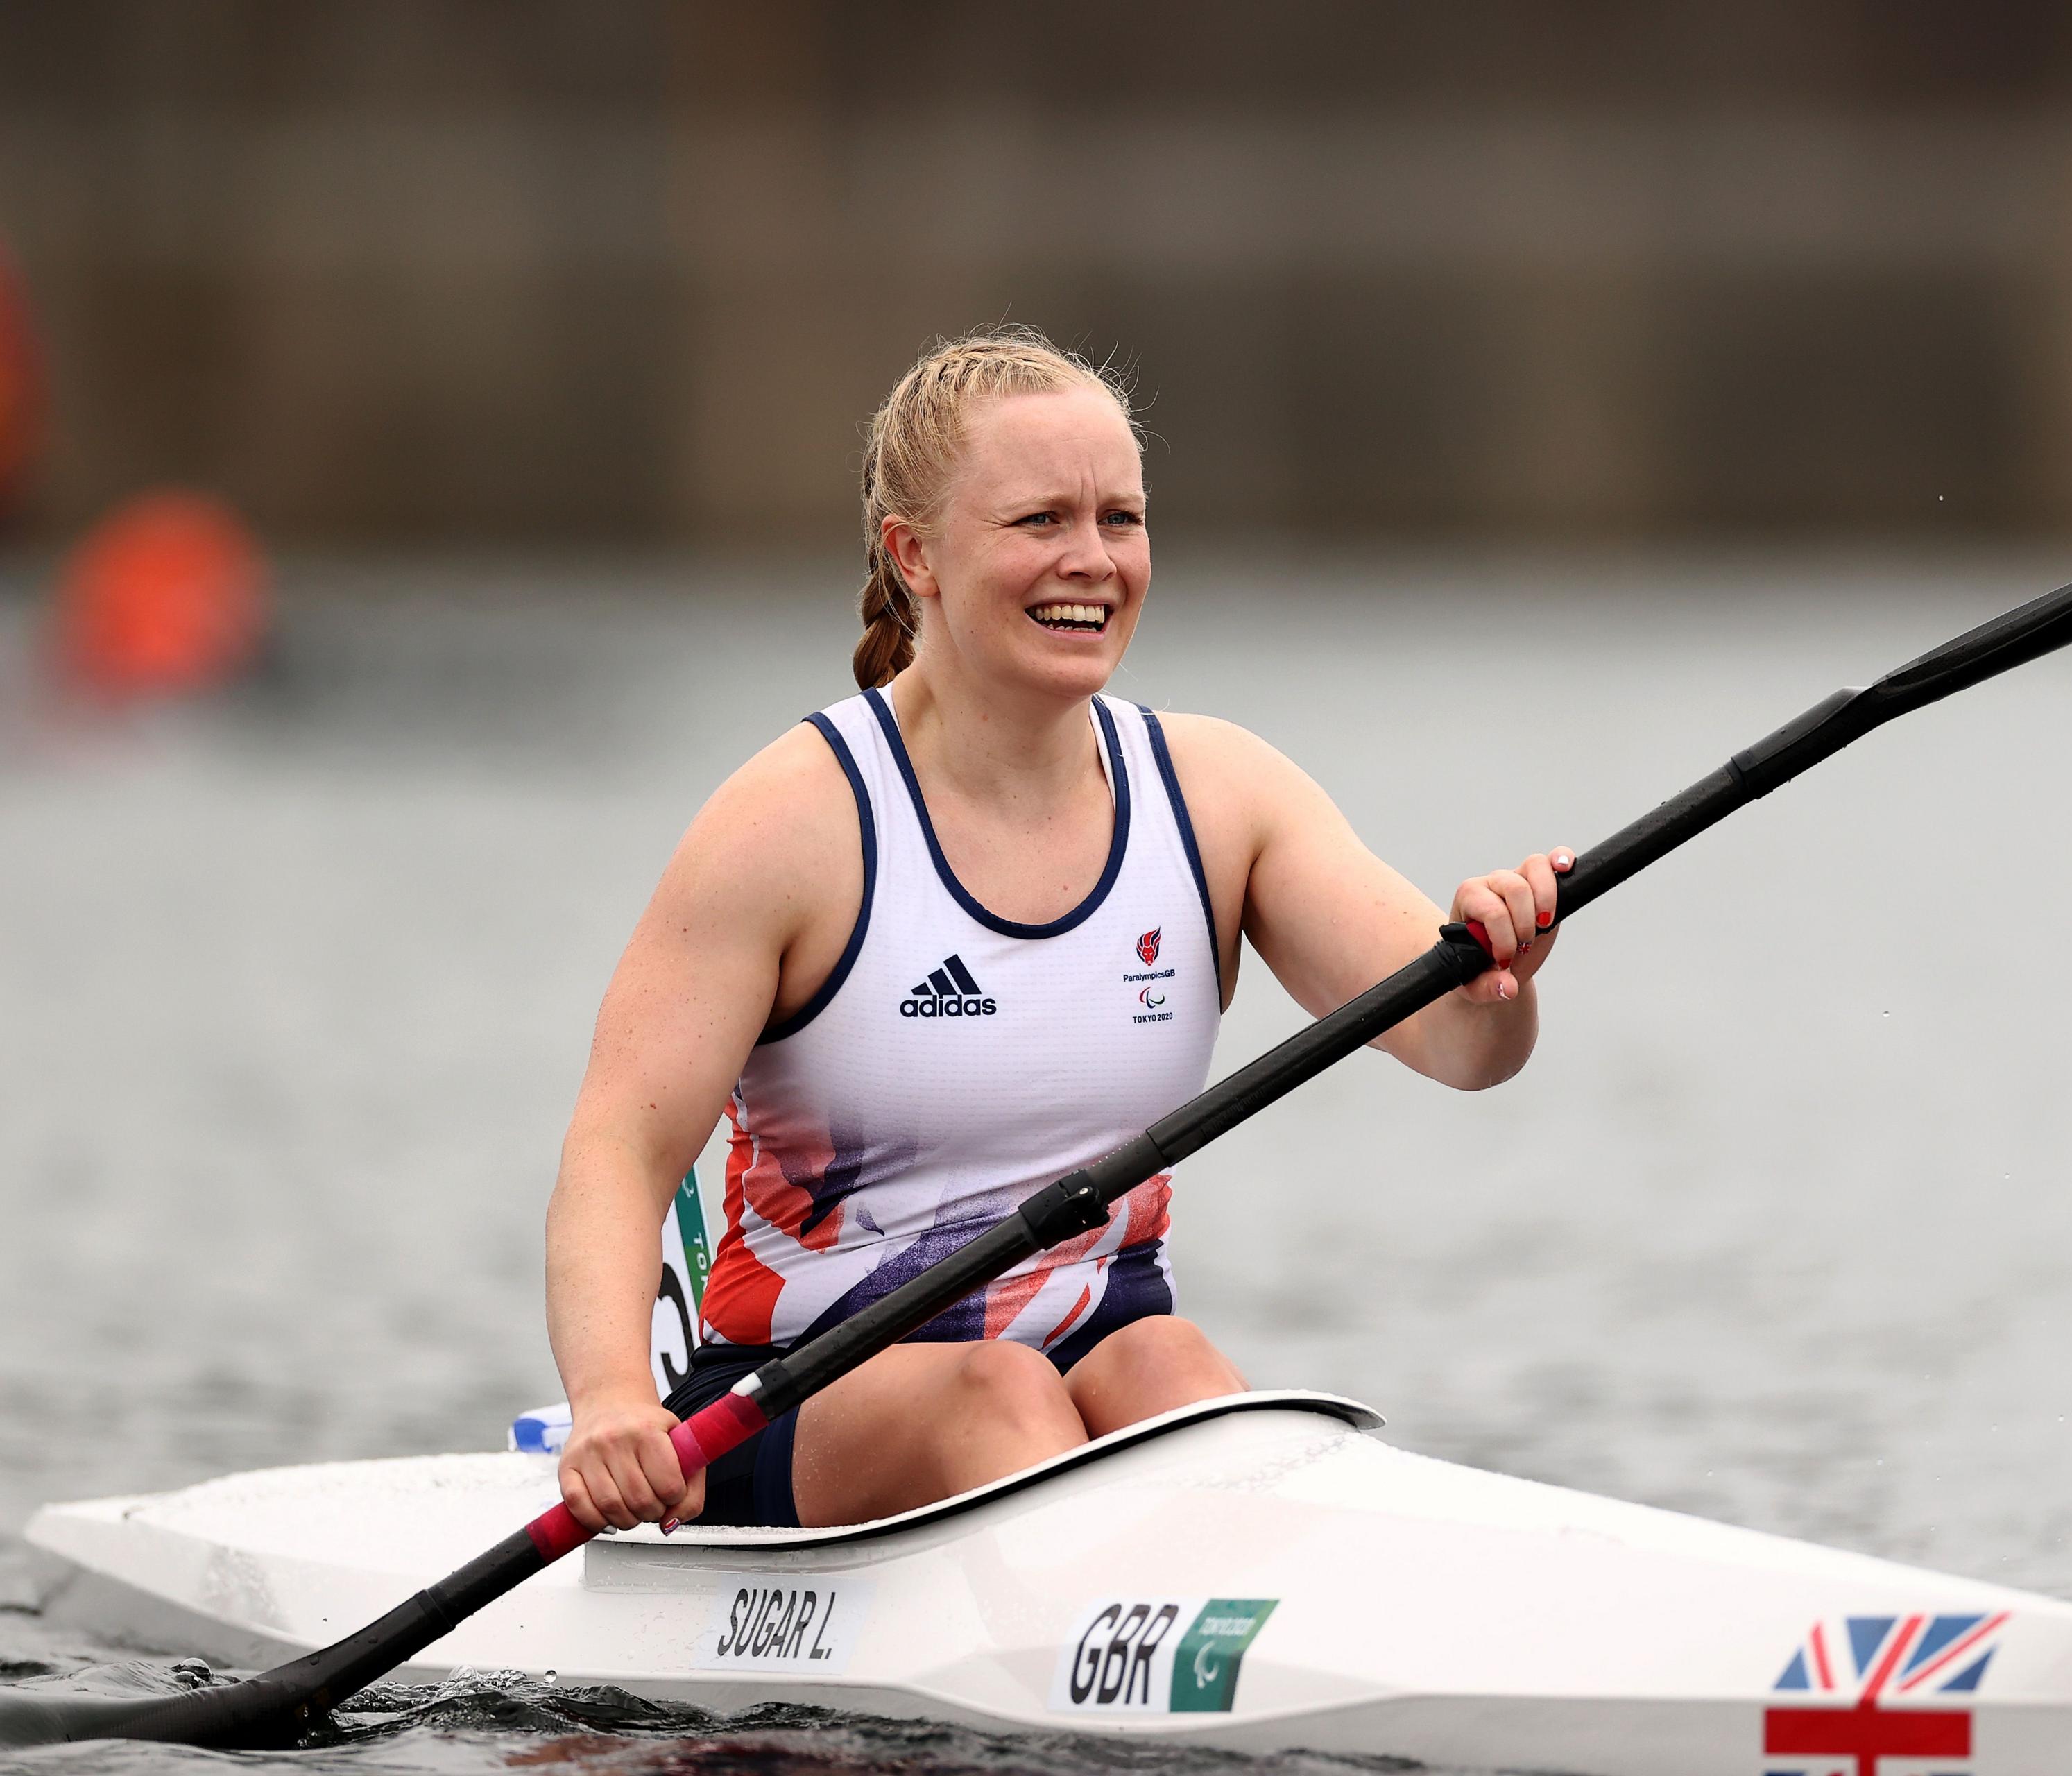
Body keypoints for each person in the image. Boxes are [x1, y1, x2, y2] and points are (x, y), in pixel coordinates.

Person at [545, 327, 1570, 1533]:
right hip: (799, 1401)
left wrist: (1503, 962)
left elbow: (1464, 1048)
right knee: (1001, 1395)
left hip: (1104, 1353)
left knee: (1177, 1373)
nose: (1092, 561)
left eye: (1120, 520)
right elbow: (618, 1151)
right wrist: (613, 1404)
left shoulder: (1219, 794)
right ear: (913, 553)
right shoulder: (793, 826)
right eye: (1040, 522)